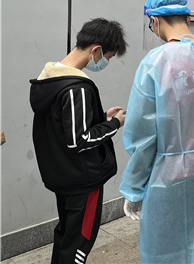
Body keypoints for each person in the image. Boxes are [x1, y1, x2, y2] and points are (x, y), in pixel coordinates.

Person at [119, 0, 194, 264]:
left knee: (168, 248)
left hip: (171, 175)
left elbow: (143, 134)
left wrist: (134, 187)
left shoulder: (156, 62)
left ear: (155, 21)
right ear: (188, 18)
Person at [30, 18, 127, 264]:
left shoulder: (49, 79)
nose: (105, 63)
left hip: (61, 176)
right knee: (78, 245)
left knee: (66, 236)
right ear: (96, 50)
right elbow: (79, 140)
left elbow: (63, 127)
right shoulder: (77, 88)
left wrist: (101, 118)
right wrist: (114, 124)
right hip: (83, 181)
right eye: (108, 57)